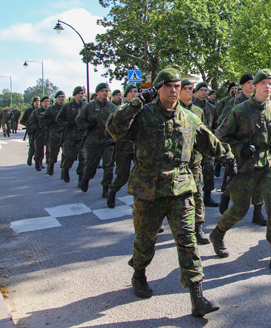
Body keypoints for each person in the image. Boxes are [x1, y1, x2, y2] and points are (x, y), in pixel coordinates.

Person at [107, 68, 235, 317]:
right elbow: (114, 129)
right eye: (168, 86)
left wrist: (229, 157)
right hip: (148, 189)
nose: (174, 90)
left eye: (177, 85)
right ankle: (139, 274)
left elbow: (209, 141)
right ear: (157, 89)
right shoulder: (142, 115)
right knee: (145, 241)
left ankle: (197, 298)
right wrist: (135, 103)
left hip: (181, 188)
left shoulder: (189, 117)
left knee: (188, 242)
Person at [210, 69, 271, 273]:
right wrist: (240, 149)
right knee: (239, 210)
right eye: (264, 83)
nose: (269, 87)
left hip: (268, 166)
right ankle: (218, 233)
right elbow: (219, 136)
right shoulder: (239, 111)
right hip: (245, 168)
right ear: (255, 86)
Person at [218, 73, 268, 226]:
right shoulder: (234, 104)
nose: (252, 85)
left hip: (258, 150)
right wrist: (238, 147)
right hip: (240, 151)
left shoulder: (261, 101)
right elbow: (222, 127)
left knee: (259, 181)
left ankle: (258, 213)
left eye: (254, 82)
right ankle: (226, 195)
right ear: (241, 85)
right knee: (238, 179)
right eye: (248, 82)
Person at [177, 79, 210, 244]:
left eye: (191, 89)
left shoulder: (198, 111)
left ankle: (198, 228)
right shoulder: (173, 110)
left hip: (195, 159)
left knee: (198, 193)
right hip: (177, 163)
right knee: (176, 197)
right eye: (185, 89)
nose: (189, 91)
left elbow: (204, 134)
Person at [76, 83, 116, 197]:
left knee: (109, 166)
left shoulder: (112, 107)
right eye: (102, 90)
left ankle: (105, 188)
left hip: (107, 141)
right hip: (93, 140)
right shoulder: (89, 106)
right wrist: (87, 125)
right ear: (97, 92)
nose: (105, 92)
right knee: (90, 165)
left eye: (106, 90)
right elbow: (79, 120)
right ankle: (85, 179)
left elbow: (117, 122)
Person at [106, 85, 137, 208]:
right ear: (126, 95)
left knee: (142, 176)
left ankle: (143, 203)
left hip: (139, 148)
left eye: (136, 92)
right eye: (131, 92)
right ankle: (112, 191)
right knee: (122, 175)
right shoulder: (120, 109)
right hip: (123, 147)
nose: (134, 94)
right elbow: (110, 126)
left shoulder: (143, 109)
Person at [193, 82, 219, 207]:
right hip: (194, 145)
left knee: (209, 170)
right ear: (196, 91)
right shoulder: (190, 108)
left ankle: (207, 196)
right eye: (201, 90)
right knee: (194, 172)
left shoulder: (212, 108)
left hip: (207, 144)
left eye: (205, 90)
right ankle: (194, 197)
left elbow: (215, 125)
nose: (204, 92)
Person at [57, 86, 86, 184]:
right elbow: (59, 119)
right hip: (70, 135)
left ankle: (81, 177)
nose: (81, 95)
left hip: (82, 136)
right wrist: (68, 123)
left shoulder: (86, 106)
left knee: (83, 157)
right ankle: (65, 168)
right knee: (70, 156)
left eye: (82, 93)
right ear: (74, 95)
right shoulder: (67, 106)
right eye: (79, 93)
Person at [40, 90, 66, 176]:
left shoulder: (67, 108)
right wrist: (50, 121)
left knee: (67, 153)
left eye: (62, 97)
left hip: (65, 134)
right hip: (54, 134)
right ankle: (50, 165)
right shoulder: (51, 109)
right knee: (53, 153)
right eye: (59, 97)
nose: (61, 98)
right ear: (56, 98)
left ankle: (64, 170)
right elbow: (42, 121)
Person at [27, 97, 50, 170]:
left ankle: (49, 164)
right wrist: (36, 127)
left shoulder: (51, 111)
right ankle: (37, 162)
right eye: (45, 101)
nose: (46, 103)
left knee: (50, 151)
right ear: (42, 103)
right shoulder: (36, 112)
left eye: (48, 101)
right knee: (39, 150)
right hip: (39, 134)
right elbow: (31, 122)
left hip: (50, 134)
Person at [20, 97, 41, 166]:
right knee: (33, 146)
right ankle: (30, 156)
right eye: (36, 101)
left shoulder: (41, 110)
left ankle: (39, 162)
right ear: (33, 102)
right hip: (32, 131)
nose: (37, 102)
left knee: (40, 147)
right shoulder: (29, 110)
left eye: (38, 100)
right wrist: (28, 124)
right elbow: (22, 120)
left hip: (40, 131)